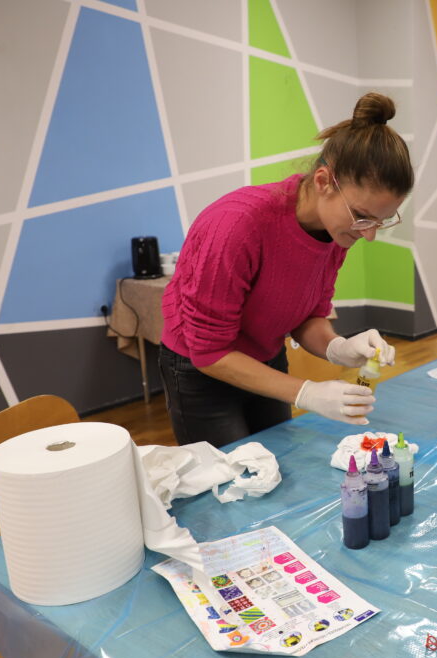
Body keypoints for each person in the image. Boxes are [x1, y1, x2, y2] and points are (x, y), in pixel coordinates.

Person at [159, 93, 413, 447]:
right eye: (362, 217)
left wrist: (338, 347)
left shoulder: (335, 231)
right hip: (202, 371)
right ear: (323, 181)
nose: (368, 234)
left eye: (380, 222)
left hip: (265, 355)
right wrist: (307, 392)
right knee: (229, 475)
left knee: (277, 461)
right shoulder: (237, 225)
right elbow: (210, 353)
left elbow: (308, 317)